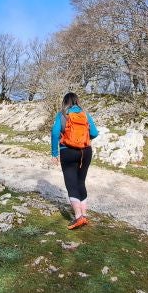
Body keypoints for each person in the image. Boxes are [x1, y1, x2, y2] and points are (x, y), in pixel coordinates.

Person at [50, 92, 99, 230]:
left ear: (65, 102)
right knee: (80, 182)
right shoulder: (85, 114)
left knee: (71, 184)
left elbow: (54, 133)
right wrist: (82, 139)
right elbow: (94, 133)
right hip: (85, 152)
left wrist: (54, 154)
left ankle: (78, 217)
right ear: (77, 101)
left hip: (68, 151)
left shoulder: (62, 114)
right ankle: (84, 215)